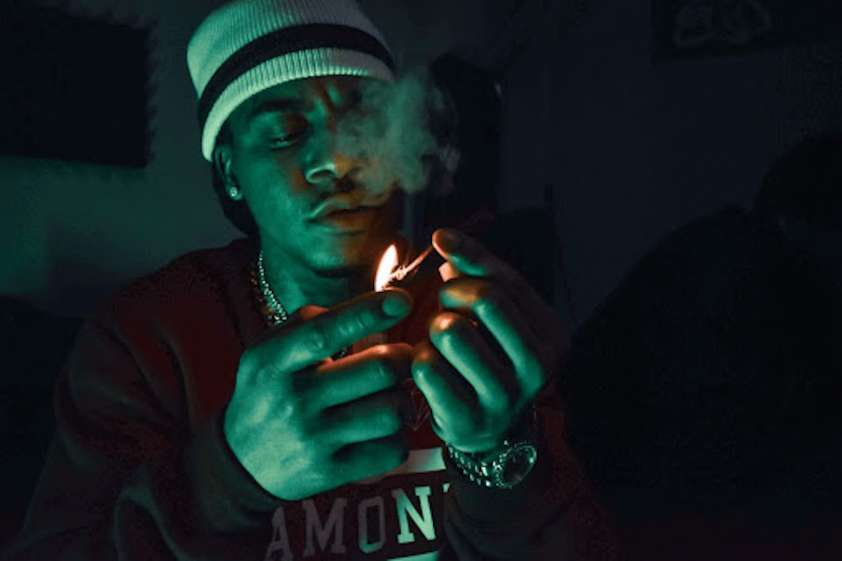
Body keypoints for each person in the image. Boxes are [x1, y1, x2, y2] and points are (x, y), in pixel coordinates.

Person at [5, 1, 617, 560]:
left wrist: (495, 453)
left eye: (362, 121)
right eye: (286, 133)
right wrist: (229, 479)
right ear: (230, 172)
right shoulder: (145, 339)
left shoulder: (467, 321)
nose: (338, 160)